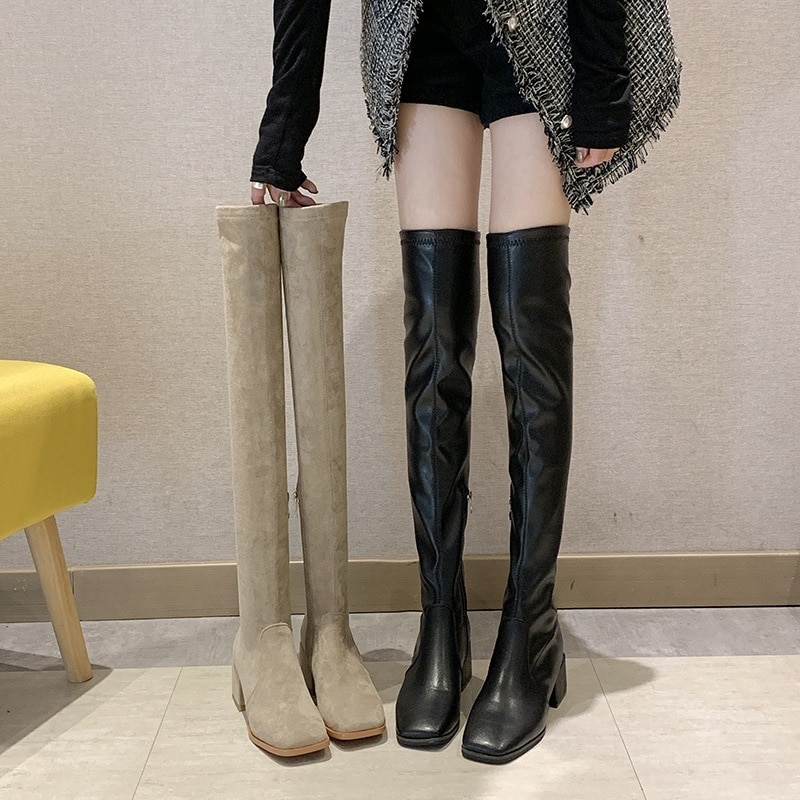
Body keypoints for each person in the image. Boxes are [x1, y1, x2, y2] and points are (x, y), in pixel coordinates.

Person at [248, 0, 680, 765]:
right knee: (434, 346)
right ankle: (439, 621)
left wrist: (604, 79)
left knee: (529, 340)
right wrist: (284, 128)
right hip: (419, 30)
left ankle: (530, 634)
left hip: (542, 21)